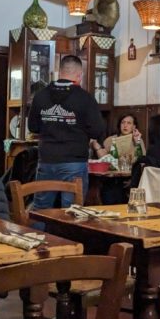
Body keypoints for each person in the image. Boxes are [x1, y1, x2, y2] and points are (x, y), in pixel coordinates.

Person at [27, 55, 105, 208]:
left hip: (47, 159)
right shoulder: (85, 98)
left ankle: (36, 233)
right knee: (72, 211)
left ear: (59, 72)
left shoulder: (41, 96)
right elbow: (97, 130)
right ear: (79, 75)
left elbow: (33, 127)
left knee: (41, 209)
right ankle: (66, 233)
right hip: (74, 161)